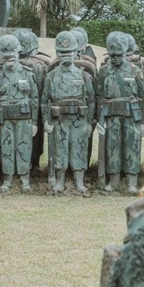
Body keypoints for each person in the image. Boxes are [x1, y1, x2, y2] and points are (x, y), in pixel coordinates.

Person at [40, 31, 94, 194]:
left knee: (79, 149)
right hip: (59, 120)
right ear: (57, 53)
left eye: (69, 52)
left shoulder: (84, 75)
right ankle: (60, 182)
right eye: (63, 53)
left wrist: (90, 122)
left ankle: (79, 183)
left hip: (79, 120)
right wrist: (46, 121)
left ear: (76, 52)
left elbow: (91, 100)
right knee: (60, 150)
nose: (66, 56)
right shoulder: (51, 76)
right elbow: (44, 101)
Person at [96, 32, 144, 194]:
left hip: (132, 116)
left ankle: (132, 182)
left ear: (125, 53)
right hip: (111, 117)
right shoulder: (103, 71)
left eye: (119, 55)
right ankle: (114, 181)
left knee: (133, 146)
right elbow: (99, 95)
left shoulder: (135, 71)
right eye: (113, 56)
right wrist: (100, 120)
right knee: (113, 147)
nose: (116, 59)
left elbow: (143, 96)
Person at [0, 35, 40, 193]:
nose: (9, 59)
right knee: (7, 148)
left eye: (11, 56)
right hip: (5, 119)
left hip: (24, 119)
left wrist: (35, 122)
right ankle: (8, 180)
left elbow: (34, 98)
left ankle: (25, 180)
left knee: (24, 147)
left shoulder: (27, 73)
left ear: (18, 54)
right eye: (5, 56)